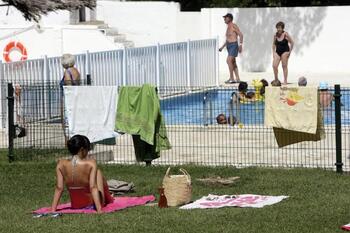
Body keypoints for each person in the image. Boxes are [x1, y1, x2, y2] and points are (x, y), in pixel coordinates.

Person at [51, 135, 113, 213]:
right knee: (98, 172)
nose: (88, 153)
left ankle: (109, 198)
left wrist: (53, 210)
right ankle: (109, 198)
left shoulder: (60, 164)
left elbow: (59, 188)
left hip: (75, 206)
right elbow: (93, 187)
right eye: (88, 150)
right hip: (91, 205)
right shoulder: (91, 163)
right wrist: (99, 210)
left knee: (96, 173)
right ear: (82, 149)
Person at [60, 54, 81, 144]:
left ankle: (69, 143)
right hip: (76, 98)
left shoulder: (67, 72)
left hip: (68, 99)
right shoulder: (76, 71)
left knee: (66, 122)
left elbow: (69, 87)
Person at [219, 13, 244, 84]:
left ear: (229, 18)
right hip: (229, 46)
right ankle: (238, 79)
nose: (224, 19)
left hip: (234, 45)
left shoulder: (234, 26)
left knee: (228, 61)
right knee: (233, 62)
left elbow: (241, 35)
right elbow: (228, 39)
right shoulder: (228, 28)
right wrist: (222, 47)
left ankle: (231, 78)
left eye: (225, 18)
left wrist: (241, 45)